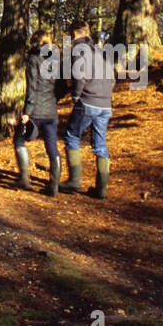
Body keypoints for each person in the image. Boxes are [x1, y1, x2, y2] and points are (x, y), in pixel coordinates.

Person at [59, 18, 113, 198]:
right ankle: (101, 189)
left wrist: (76, 95)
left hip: (88, 101)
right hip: (105, 104)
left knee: (71, 136)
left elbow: (79, 76)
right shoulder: (100, 51)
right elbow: (111, 78)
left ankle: (74, 180)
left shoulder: (78, 50)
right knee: (100, 145)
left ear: (74, 34)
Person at [14, 29, 63, 197]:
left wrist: (27, 112)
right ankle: (54, 186)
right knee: (52, 147)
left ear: (35, 42)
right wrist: (54, 100)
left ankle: (24, 179)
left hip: (35, 111)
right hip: (51, 111)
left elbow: (32, 88)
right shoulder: (56, 60)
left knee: (18, 139)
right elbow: (62, 86)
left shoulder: (33, 59)